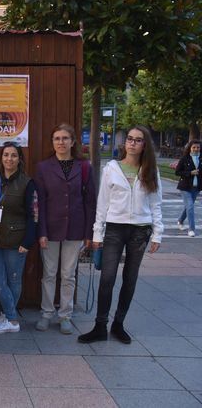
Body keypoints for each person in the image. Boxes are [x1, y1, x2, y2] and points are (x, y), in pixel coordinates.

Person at [79, 125, 163, 344]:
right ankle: (100, 326)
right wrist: (97, 233)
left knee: (130, 279)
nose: (132, 143)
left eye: (138, 140)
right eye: (129, 139)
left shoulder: (150, 170)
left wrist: (157, 234)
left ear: (144, 145)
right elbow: (102, 203)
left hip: (140, 230)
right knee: (107, 278)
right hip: (114, 228)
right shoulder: (112, 168)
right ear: (124, 143)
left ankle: (118, 324)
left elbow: (156, 205)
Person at [34, 124, 97, 334]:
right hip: (50, 228)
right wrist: (41, 231)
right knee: (49, 273)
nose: (61, 142)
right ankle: (46, 313)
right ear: (52, 142)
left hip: (75, 228)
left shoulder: (84, 166)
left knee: (68, 274)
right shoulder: (43, 167)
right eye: (57, 138)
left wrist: (89, 233)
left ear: (73, 141)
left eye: (65, 138)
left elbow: (90, 201)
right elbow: (39, 202)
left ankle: (65, 315)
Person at [0, 142, 36, 334]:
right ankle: (9, 315)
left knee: (13, 280)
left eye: (13, 155)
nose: (9, 159)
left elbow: (33, 214)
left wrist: (28, 241)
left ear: (19, 159)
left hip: (16, 241)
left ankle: (11, 320)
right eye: (6, 155)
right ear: (1, 158)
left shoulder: (27, 183)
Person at [175, 139, 201, 237]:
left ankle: (180, 221)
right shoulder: (185, 158)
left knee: (188, 207)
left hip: (196, 188)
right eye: (194, 147)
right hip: (185, 187)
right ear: (190, 148)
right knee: (190, 206)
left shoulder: (201, 159)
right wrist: (190, 173)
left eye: (198, 147)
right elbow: (177, 172)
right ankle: (191, 229)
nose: (196, 149)